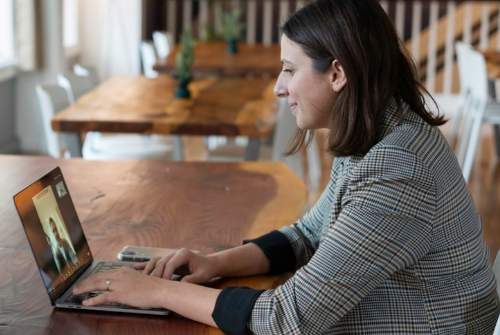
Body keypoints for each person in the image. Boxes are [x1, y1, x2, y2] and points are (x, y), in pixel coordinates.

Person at [73, 0, 500, 333]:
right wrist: (215, 263)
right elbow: (308, 235)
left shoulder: (399, 166)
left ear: (337, 74)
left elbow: (288, 319)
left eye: (290, 70)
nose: (279, 88)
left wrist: (157, 293)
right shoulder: (380, 131)